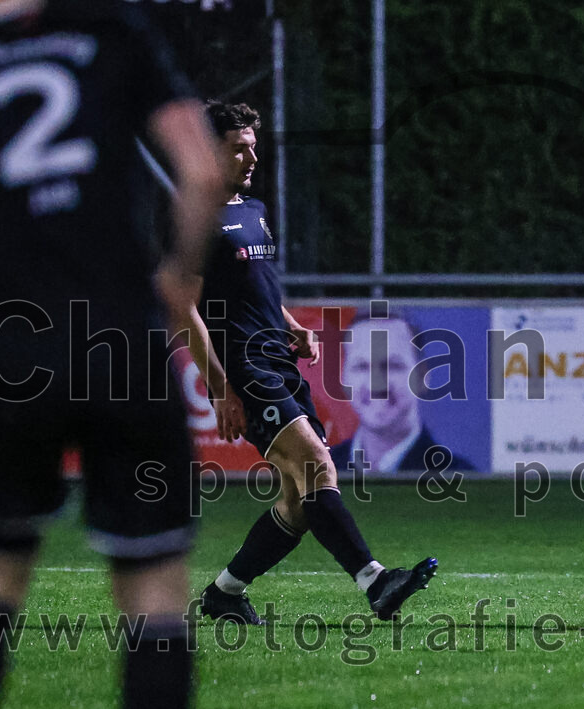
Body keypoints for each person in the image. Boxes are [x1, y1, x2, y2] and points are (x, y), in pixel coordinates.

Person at [0, 1, 225, 709]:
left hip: (4, 348)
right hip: (122, 338)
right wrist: (181, 277)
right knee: (154, 588)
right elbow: (204, 174)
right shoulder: (113, 29)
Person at [184, 101, 436, 627]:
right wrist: (220, 388)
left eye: (254, 147)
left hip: (278, 358)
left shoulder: (251, 210)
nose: (251, 157)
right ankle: (376, 580)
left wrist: (289, 324)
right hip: (246, 368)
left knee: (299, 503)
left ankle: (225, 592)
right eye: (238, 148)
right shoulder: (193, 217)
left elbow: (254, 288)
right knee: (318, 466)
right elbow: (184, 308)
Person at [331, 313, 476, 474]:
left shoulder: (459, 477)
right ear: (343, 378)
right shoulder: (317, 473)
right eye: (361, 366)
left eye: (393, 365)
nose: (376, 383)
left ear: (422, 377)